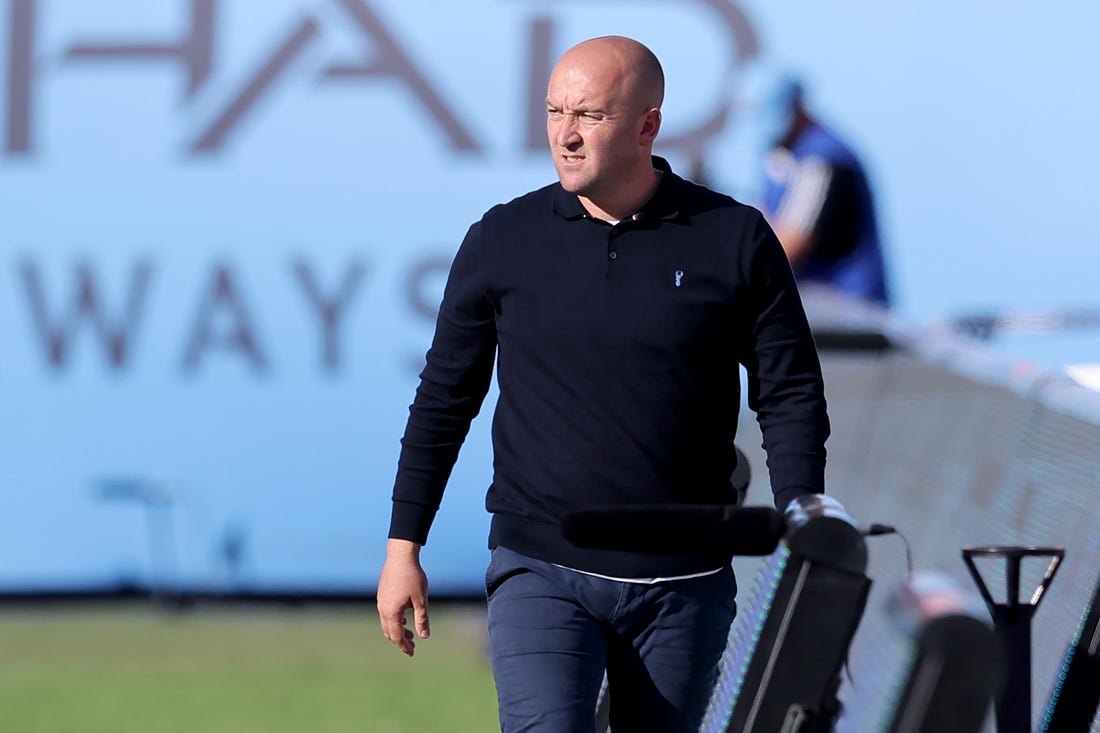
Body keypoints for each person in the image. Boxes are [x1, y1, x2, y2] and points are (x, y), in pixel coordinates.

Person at [376, 36, 830, 733]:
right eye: (555, 110)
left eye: (587, 113)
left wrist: (802, 510)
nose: (565, 133)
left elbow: (790, 391)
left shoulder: (733, 240)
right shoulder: (502, 240)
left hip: (686, 581)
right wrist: (404, 546)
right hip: (541, 570)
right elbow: (444, 398)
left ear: (647, 125)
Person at [746, 71, 890, 306]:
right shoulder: (779, 154)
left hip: (848, 310)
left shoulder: (824, 159)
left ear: (796, 108)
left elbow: (787, 245)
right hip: (808, 303)